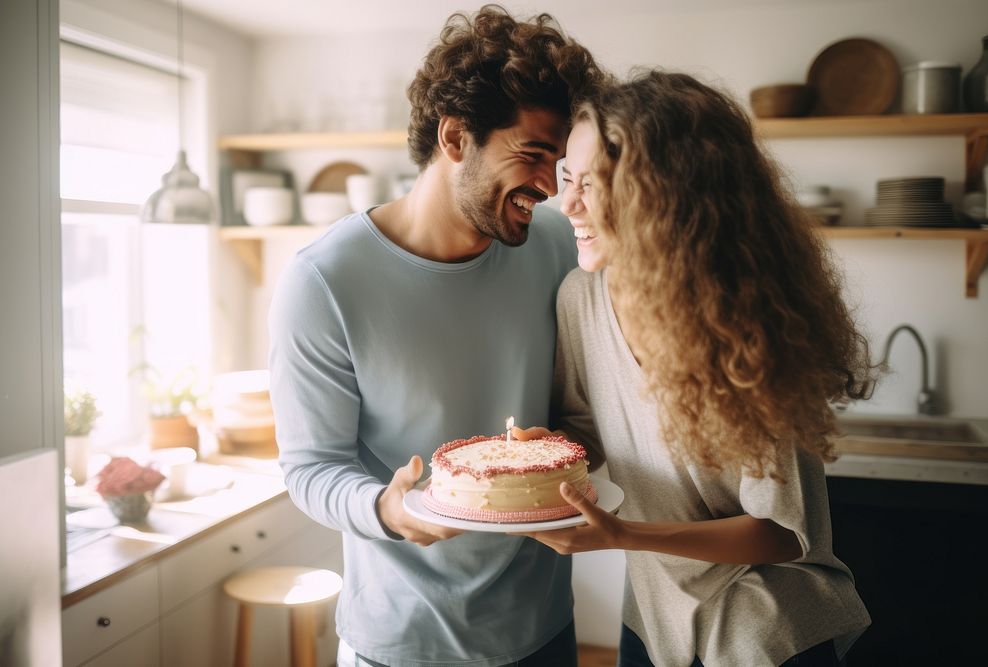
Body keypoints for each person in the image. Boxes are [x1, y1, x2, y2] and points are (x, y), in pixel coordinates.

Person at [267, 5, 604, 666]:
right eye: (534, 154)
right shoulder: (324, 282)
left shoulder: (560, 247)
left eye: (559, 162)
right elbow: (310, 468)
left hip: (540, 627)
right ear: (455, 138)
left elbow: (579, 414)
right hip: (400, 640)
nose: (550, 186)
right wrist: (386, 508)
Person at [515, 71, 878, 666]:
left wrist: (622, 533)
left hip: (761, 625)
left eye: (595, 184)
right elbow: (587, 423)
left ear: (664, 195)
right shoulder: (579, 298)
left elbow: (782, 534)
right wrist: (547, 452)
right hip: (654, 610)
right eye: (565, 178)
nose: (568, 203)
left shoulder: (747, 331)